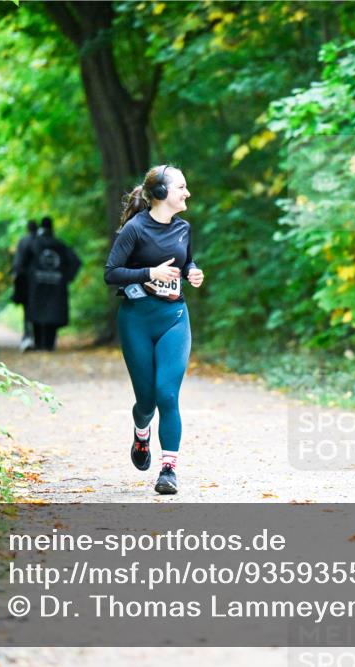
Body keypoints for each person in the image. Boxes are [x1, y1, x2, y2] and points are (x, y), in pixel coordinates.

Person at [104, 165, 204, 495]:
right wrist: (150, 273)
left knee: (167, 394)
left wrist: (192, 271)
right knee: (146, 402)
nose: (187, 193)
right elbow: (111, 273)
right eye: (182, 187)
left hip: (174, 317)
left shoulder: (184, 228)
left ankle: (168, 470)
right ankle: (141, 431)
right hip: (136, 321)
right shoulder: (135, 229)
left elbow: (185, 261)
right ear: (161, 194)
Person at [19, 217, 81, 351]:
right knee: (53, 313)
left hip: (36, 286)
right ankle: (49, 345)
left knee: (37, 312)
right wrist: (66, 276)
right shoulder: (60, 244)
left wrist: (27, 278)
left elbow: (21, 264)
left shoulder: (33, 244)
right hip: (57, 285)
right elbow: (76, 262)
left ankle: (39, 344)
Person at [12, 219, 39, 351]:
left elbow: (17, 262)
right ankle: (37, 338)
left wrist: (15, 276)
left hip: (25, 281)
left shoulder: (23, 241)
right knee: (38, 309)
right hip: (39, 282)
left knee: (27, 309)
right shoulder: (40, 241)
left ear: (28, 228)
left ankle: (28, 336)